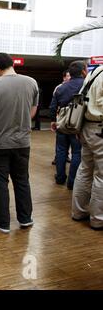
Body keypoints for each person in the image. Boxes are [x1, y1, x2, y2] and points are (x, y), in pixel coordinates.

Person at [0, 52, 39, 234]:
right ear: (12, 64)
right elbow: (32, 113)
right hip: (23, 142)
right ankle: (25, 218)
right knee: (22, 180)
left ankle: (2, 221)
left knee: (0, 183)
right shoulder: (31, 82)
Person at [71, 65, 103, 230]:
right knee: (101, 175)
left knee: (85, 170)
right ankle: (98, 219)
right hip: (100, 128)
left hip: (86, 127)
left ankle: (79, 211)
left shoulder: (94, 72)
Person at [50, 61, 87, 190]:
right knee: (77, 153)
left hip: (62, 124)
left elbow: (53, 106)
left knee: (61, 151)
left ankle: (60, 178)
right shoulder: (86, 86)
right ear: (83, 71)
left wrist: (53, 121)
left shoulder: (61, 87)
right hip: (78, 124)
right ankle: (72, 182)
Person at [51, 70, 71, 165]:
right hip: (61, 117)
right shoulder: (59, 88)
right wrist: (53, 119)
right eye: (68, 76)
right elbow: (54, 104)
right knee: (61, 141)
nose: (70, 78)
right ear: (64, 78)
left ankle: (65, 156)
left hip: (71, 119)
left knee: (66, 140)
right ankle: (57, 157)